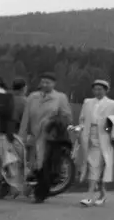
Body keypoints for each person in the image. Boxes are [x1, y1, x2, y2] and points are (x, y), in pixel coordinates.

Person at [17, 71, 72, 203]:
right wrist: (21, 136)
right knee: (33, 164)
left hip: (51, 137)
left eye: (48, 82)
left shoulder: (60, 98)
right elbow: (26, 117)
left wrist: (53, 121)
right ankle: (33, 189)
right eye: (43, 81)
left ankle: (40, 193)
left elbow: (67, 117)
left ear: (54, 84)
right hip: (34, 136)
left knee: (46, 165)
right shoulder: (32, 97)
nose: (45, 84)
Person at [75, 79, 114, 206]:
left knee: (97, 165)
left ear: (106, 90)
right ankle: (100, 193)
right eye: (95, 89)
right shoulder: (87, 102)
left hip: (104, 137)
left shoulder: (113, 104)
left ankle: (90, 195)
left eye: (100, 89)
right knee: (93, 165)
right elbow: (82, 119)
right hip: (89, 136)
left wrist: (111, 125)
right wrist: (79, 128)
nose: (97, 92)